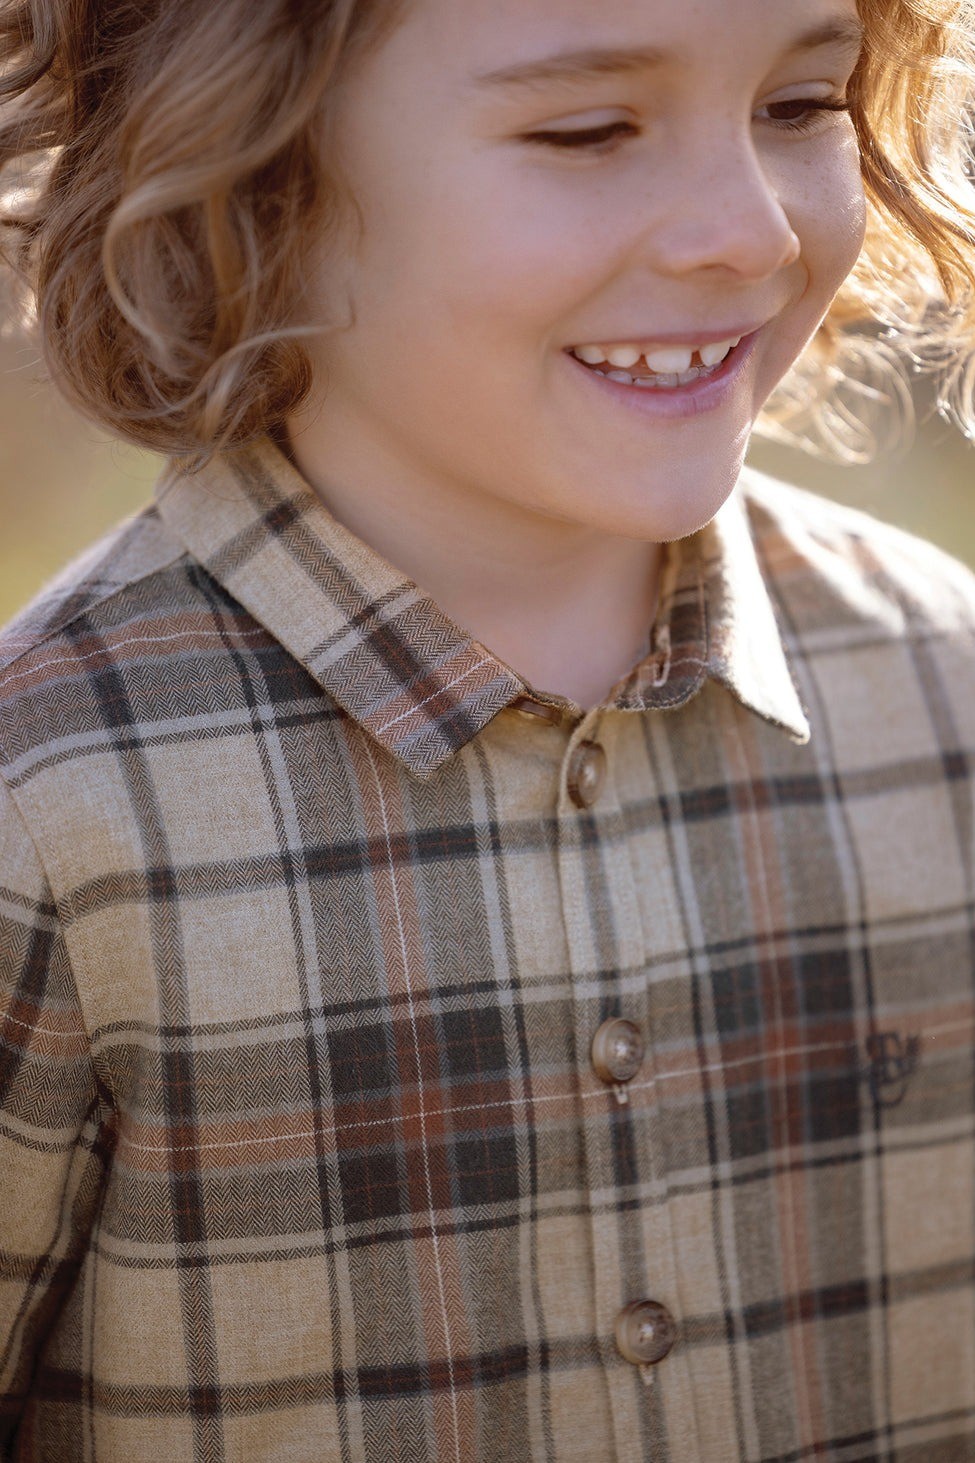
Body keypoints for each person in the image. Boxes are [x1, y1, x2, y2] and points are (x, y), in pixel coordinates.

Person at [0, 0, 974, 1457]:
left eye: (800, 106)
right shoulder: (48, 812)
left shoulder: (949, 692)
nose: (752, 232)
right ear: (249, 164)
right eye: (588, 130)